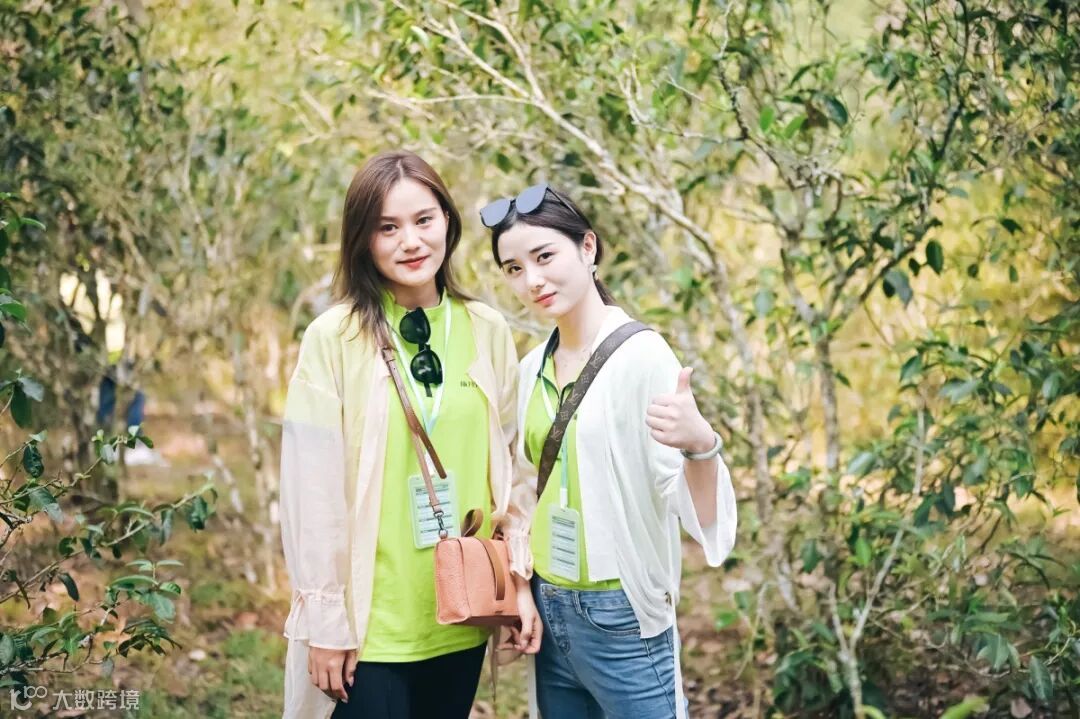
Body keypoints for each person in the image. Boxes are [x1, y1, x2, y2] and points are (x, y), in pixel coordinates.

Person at [279, 151, 541, 719]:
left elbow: (514, 469)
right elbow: (310, 490)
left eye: (424, 219)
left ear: (448, 220)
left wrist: (516, 581)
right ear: (362, 240)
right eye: (388, 228)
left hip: (462, 610)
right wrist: (325, 620)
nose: (411, 242)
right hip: (369, 625)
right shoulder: (334, 337)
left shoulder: (486, 328)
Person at [483, 183, 738, 719]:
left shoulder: (642, 356)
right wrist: (523, 589)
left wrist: (700, 445)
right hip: (550, 607)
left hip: (621, 613)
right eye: (513, 268)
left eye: (544, 256)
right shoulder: (531, 368)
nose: (532, 280)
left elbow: (689, 506)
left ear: (588, 247)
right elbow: (523, 492)